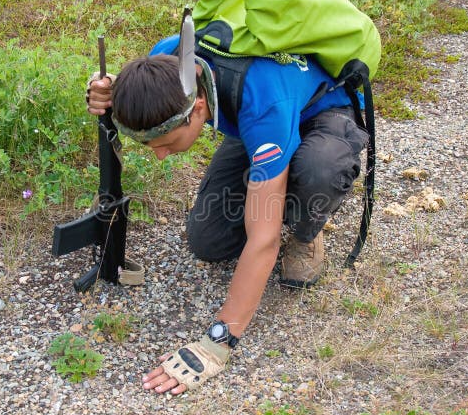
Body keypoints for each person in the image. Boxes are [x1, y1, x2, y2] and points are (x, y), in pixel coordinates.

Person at [85, 35, 369, 395]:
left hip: (320, 114)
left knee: (317, 171)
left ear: (199, 106)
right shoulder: (168, 58)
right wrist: (107, 91)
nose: (160, 156)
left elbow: (263, 241)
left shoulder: (262, 106)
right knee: (209, 240)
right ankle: (277, 182)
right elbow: (136, 89)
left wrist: (217, 341)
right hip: (261, 116)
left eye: (167, 143)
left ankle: (305, 229)